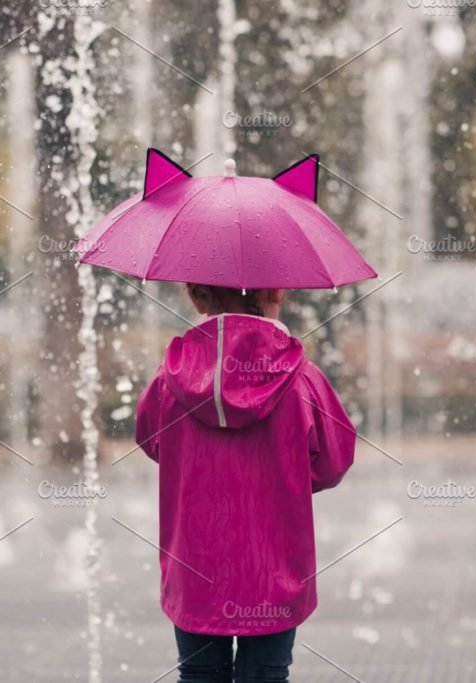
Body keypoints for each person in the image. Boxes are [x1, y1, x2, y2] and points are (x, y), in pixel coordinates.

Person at [135, 283, 357, 682]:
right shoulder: (301, 379)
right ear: (276, 295)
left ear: (196, 297)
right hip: (273, 568)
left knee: (199, 674)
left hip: (195, 566)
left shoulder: (170, 377)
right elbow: (333, 462)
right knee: (267, 676)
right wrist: (283, 472)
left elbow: (152, 440)